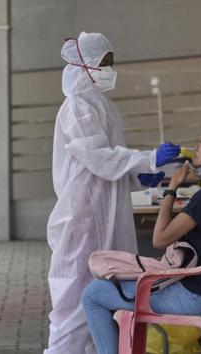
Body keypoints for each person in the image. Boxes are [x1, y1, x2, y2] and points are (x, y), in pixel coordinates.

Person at [44, 31, 180, 354]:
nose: (110, 69)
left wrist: (138, 176)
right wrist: (146, 158)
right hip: (83, 214)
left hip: (106, 210)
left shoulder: (101, 104)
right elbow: (99, 157)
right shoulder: (76, 107)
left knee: (106, 292)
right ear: (86, 65)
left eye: (111, 62)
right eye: (105, 62)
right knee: (74, 299)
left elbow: (110, 159)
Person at [81, 118, 201, 354]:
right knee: (110, 288)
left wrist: (172, 188)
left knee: (93, 294)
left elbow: (160, 239)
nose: (198, 146)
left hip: (190, 295)